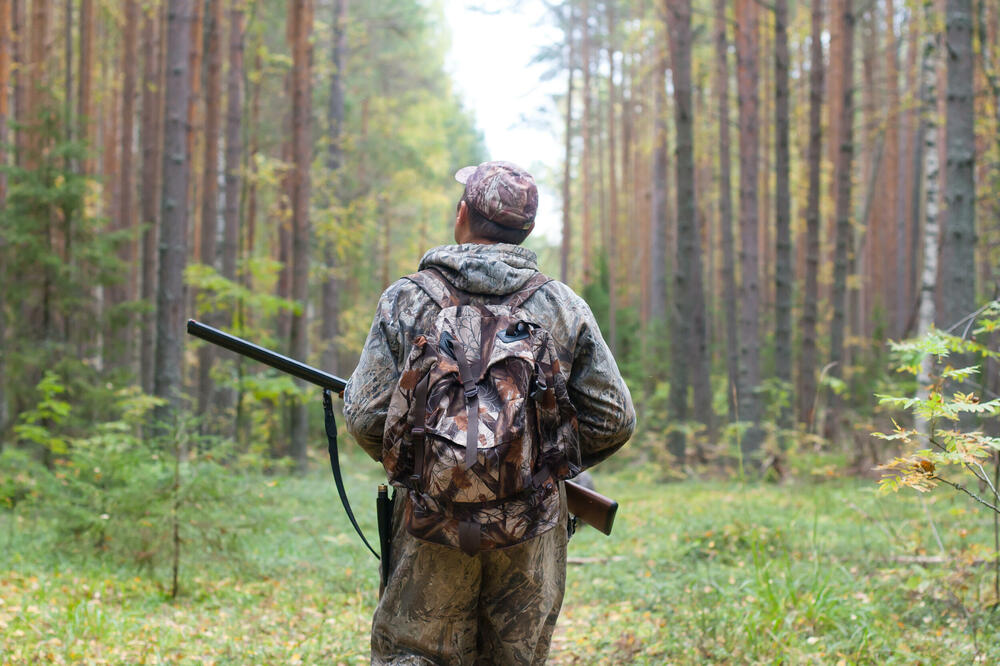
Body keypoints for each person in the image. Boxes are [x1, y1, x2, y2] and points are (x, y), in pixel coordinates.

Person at [343, 160, 635, 665]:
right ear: (525, 231)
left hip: (426, 520)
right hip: (532, 525)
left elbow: (367, 416)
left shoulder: (406, 300)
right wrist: (534, 461)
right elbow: (614, 418)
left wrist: (434, 463)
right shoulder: (562, 307)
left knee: (414, 655)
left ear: (462, 216)